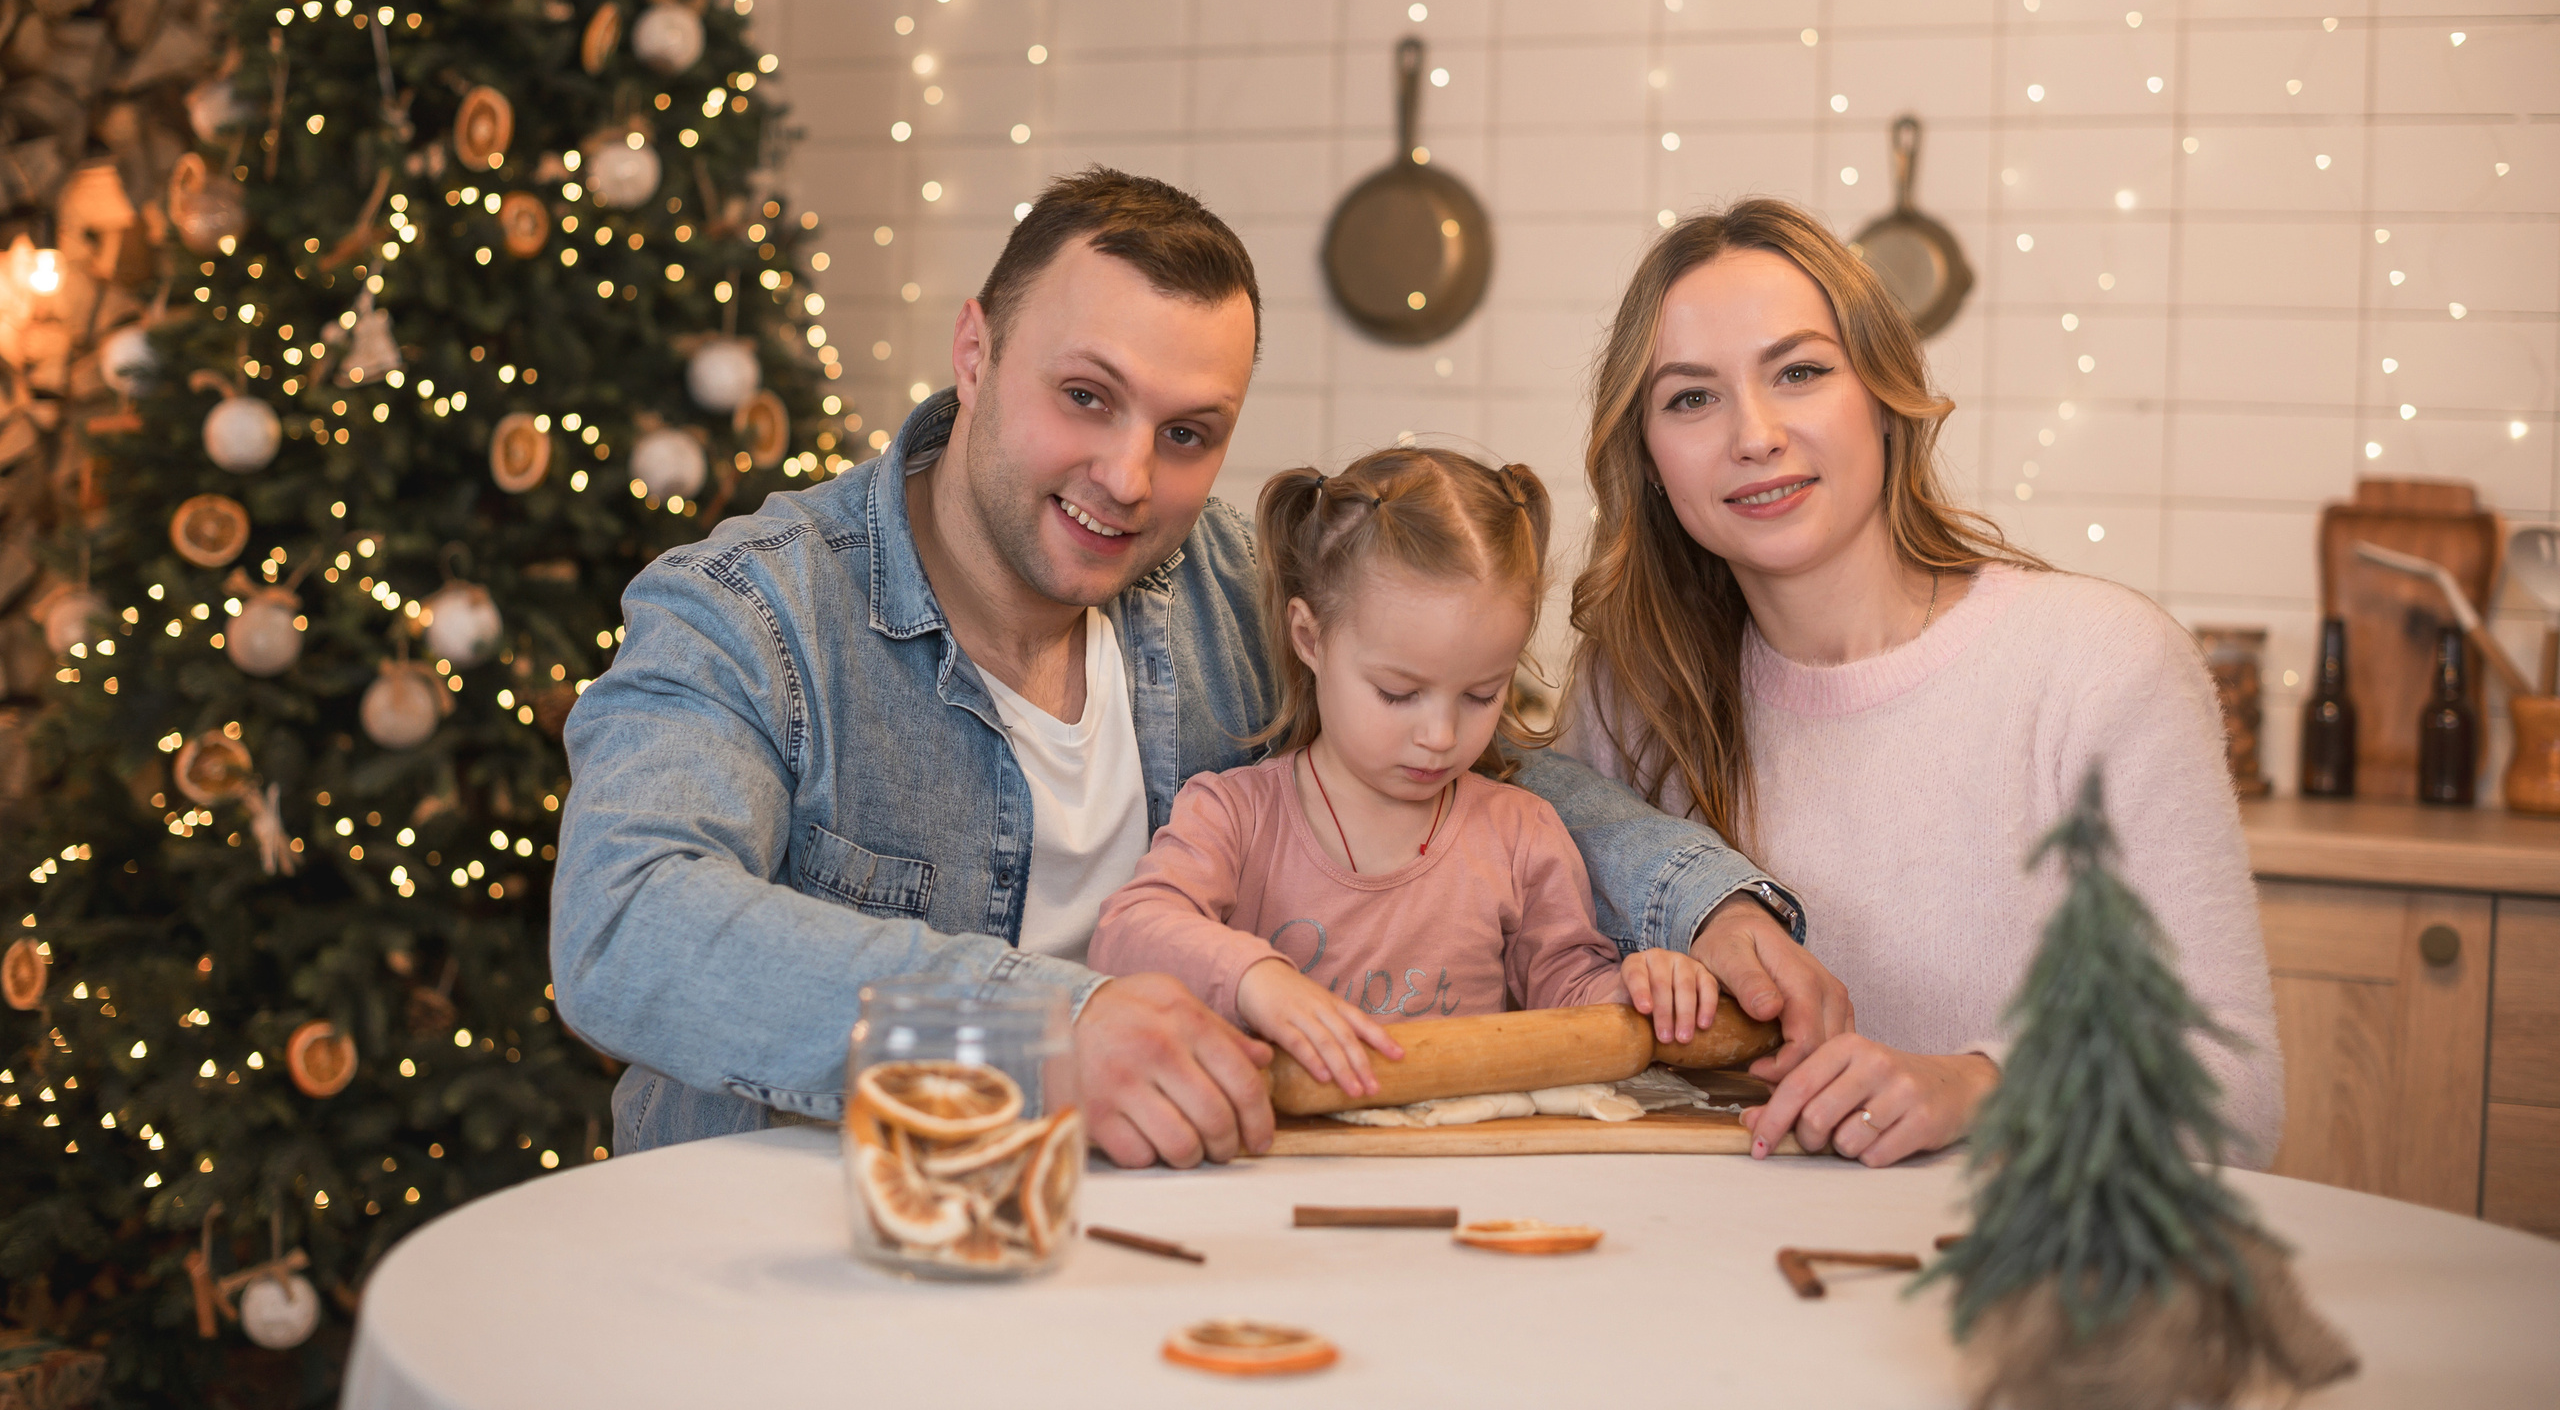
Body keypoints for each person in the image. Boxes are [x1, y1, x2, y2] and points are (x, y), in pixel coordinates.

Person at [553, 168, 1843, 1169]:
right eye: (1086, 397)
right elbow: (623, 926)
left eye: (1187, 433)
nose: (1127, 479)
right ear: (973, 351)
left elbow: (1495, 776)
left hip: (1144, 1263)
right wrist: (1048, 1031)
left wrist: (1707, 908)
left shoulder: (1235, 581)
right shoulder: (753, 610)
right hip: (809, 1262)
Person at [1559, 198, 2282, 1168]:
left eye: (1800, 373)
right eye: (1691, 397)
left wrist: (1979, 1084)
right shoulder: (1630, 695)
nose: (1755, 434)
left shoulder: (2099, 663)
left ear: (1885, 397)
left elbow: (2231, 1095)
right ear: (1647, 461)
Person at [1090, 449, 1718, 1098]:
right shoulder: (1234, 815)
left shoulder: (1521, 832)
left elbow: (1571, 996)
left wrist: (1641, 993)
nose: (1441, 738)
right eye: (1397, 692)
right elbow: (1127, 934)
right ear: (1309, 638)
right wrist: (1254, 979)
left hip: (1462, 1163)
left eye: (1482, 695)